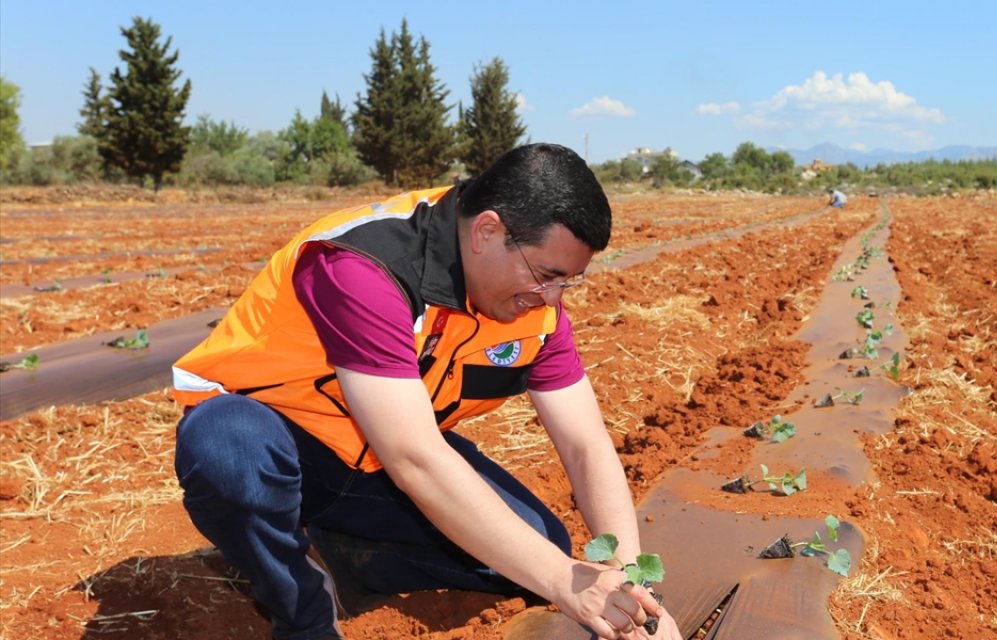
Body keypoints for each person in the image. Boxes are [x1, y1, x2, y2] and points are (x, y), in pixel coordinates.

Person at [171, 143, 680, 640]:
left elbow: (585, 444)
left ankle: (335, 551)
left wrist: (634, 586)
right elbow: (414, 457)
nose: (550, 298)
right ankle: (303, 612)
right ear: (487, 230)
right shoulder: (365, 264)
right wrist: (563, 579)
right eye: (545, 275)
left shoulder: (535, 310)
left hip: (374, 468)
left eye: (566, 282)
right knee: (227, 451)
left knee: (538, 547)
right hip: (284, 444)